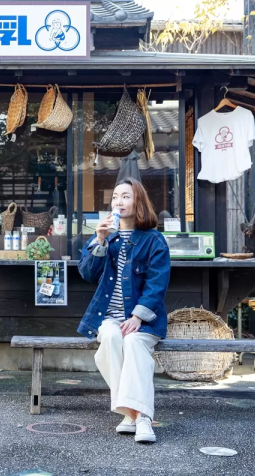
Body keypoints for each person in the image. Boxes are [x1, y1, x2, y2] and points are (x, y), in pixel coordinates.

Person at [77, 177, 170, 443]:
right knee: (111, 337)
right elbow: (87, 273)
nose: (119, 201)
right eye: (116, 196)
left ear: (138, 201)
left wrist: (138, 316)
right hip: (108, 317)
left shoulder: (154, 240)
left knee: (133, 343)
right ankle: (135, 414)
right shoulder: (107, 236)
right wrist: (100, 240)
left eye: (126, 196)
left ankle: (140, 419)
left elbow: (157, 283)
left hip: (144, 319)